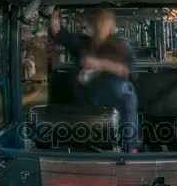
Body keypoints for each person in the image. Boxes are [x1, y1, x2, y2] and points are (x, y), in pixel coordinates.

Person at [51, 8, 139, 152]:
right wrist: (54, 14)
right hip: (87, 104)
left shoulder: (121, 45)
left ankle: (129, 148)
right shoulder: (83, 43)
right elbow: (59, 33)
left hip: (115, 103)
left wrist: (101, 64)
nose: (100, 24)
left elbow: (129, 72)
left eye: (104, 20)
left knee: (126, 93)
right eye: (98, 20)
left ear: (111, 25)